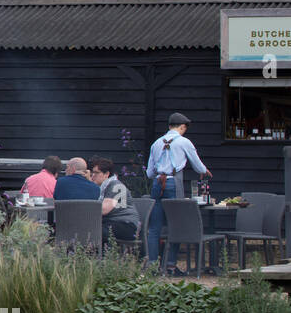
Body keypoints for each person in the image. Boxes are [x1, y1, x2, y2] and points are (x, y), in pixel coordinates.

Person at [146, 112, 211, 273]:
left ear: (169, 126)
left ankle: (153, 266)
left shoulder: (155, 143)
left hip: (157, 184)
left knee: (154, 227)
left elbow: (149, 173)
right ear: (182, 127)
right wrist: (204, 170)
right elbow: (198, 166)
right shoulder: (184, 142)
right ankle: (170, 265)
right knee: (176, 224)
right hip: (173, 183)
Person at [89, 157, 140, 243]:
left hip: (126, 225)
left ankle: (100, 256)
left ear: (107, 174)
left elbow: (104, 209)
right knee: (89, 229)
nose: (93, 176)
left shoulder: (116, 186)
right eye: (92, 173)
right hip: (112, 223)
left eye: (96, 173)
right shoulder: (103, 188)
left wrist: (85, 211)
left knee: (93, 231)